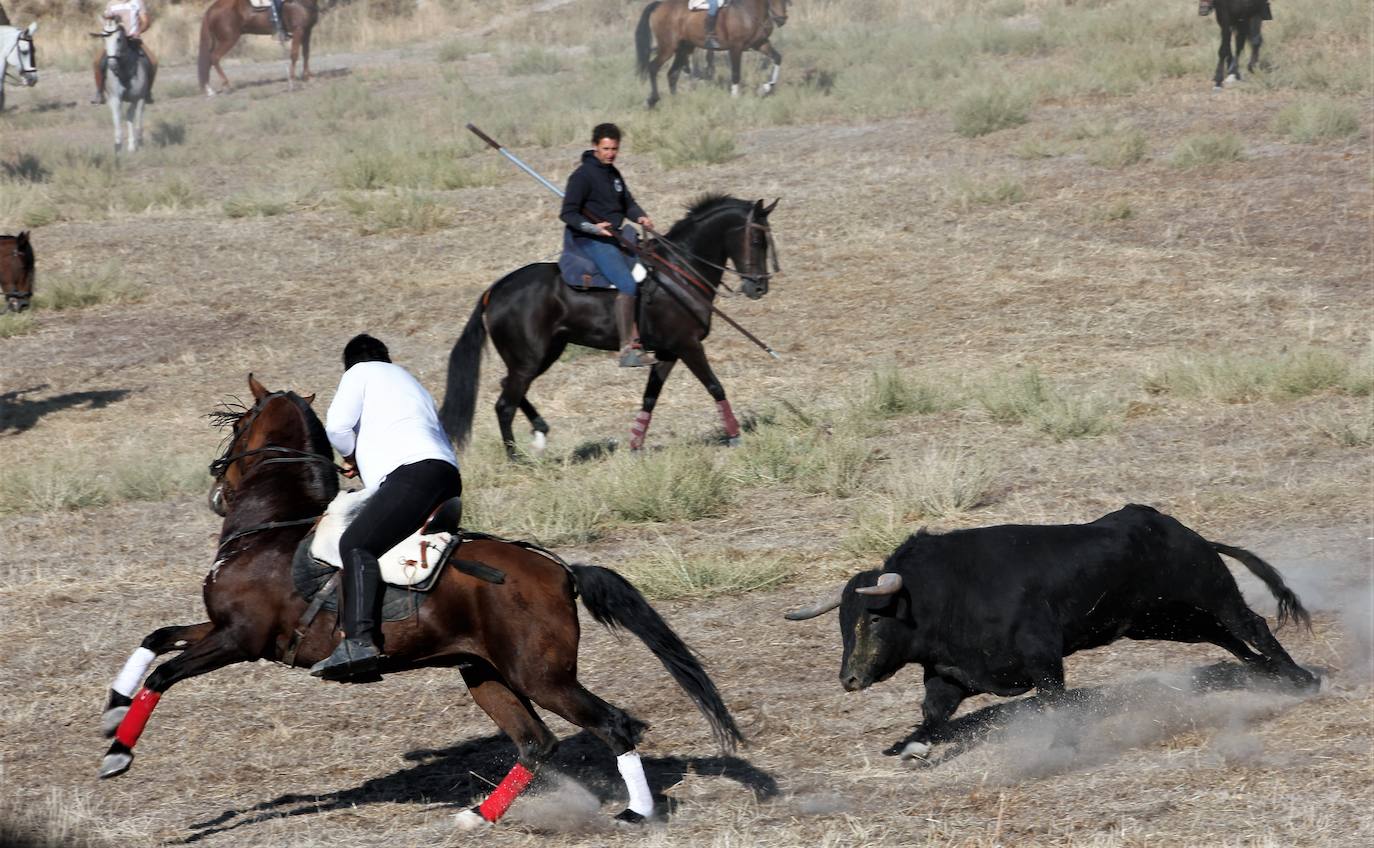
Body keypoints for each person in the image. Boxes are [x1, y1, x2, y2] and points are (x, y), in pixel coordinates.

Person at [310, 334, 462, 681]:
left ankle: (360, 642)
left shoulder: (359, 373)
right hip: (445, 475)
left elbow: (337, 426)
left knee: (356, 544)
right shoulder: (409, 382)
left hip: (412, 476)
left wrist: (349, 456)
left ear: (350, 364)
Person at [560, 123, 658, 368]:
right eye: (605, 148)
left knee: (650, 268)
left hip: (617, 235)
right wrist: (594, 228)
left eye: (614, 149)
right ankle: (627, 351)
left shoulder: (613, 174)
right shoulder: (581, 176)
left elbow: (628, 204)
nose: (610, 153)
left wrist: (641, 216)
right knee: (626, 283)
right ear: (595, 146)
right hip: (592, 240)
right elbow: (568, 213)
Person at [92, 0, 157, 105]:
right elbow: (107, 22)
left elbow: (145, 21)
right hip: (115, 41)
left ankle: (147, 92)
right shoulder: (111, 4)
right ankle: (100, 92)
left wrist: (138, 31)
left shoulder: (137, 2)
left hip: (133, 39)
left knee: (153, 61)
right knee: (97, 62)